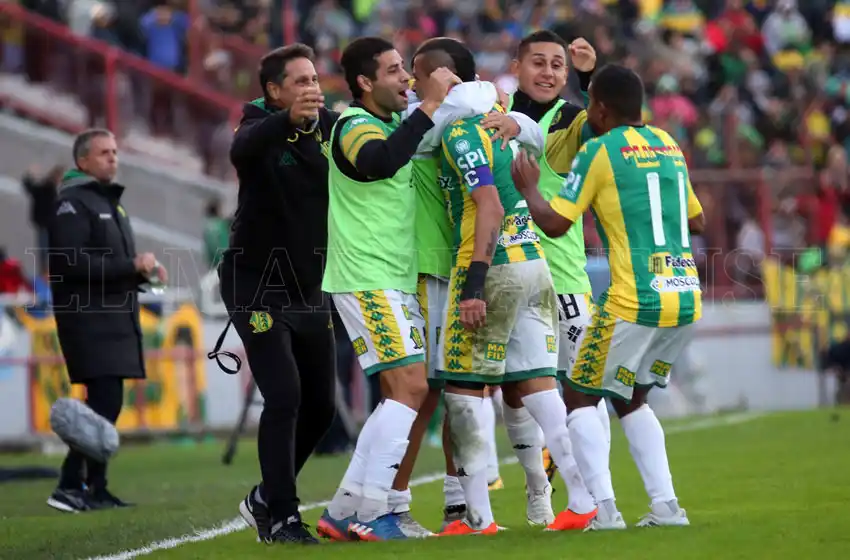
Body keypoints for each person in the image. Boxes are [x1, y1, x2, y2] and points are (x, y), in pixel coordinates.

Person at [511, 64, 705, 530]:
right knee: (631, 398)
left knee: (579, 396)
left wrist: (530, 190)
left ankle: (605, 511)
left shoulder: (598, 151)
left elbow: (555, 222)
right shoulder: (668, 144)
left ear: (599, 109)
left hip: (633, 299)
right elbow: (697, 221)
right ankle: (666, 508)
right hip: (684, 294)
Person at [386, 37, 546, 535]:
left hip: (459, 263)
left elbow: (532, 133)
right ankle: (395, 502)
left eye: (415, 73)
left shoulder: (457, 117)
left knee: (459, 386)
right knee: (425, 391)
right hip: (426, 266)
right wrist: (506, 112)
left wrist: (513, 117)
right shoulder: (422, 120)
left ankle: (457, 504)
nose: (409, 82)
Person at [316, 36, 458, 542]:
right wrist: (431, 106)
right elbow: (378, 161)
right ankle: (374, 512)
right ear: (364, 82)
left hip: (392, 277)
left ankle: (344, 509)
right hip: (366, 276)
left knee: (404, 392)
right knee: (413, 388)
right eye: (395, 70)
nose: (407, 79)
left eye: (406, 69)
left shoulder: (396, 123)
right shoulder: (354, 124)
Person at [434, 80, 587, 538]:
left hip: (490, 266)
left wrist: (473, 284)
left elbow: (490, 206)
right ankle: (583, 501)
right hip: (534, 266)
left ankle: (478, 520)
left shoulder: (462, 132)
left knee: (464, 393)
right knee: (542, 390)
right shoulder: (508, 131)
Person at [216, 44, 338, 545]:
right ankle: (284, 518)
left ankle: (265, 497)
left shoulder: (330, 128)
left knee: (323, 407)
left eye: (315, 79)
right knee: (284, 395)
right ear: (273, 91)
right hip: (256, 284)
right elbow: (242, 150)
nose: (312, 88)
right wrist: (286, 120)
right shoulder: (256, 127)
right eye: (301, 81)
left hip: (308, 285)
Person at [506, 29, 609, 531]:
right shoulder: (494, 114)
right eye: (538, 62)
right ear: (516, 66)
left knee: (583, 389)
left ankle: (597, 497)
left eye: (557, 65)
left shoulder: (570, 118)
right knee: (514, 390)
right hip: (506, 271)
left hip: (564, 276)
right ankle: (537, 487)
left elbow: (604, 127)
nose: (548, 72)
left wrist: (590, 79)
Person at [46, 129, 167, 513]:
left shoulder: (109, 202)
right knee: (104, 402)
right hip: (88, 319)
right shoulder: (72, 203)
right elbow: (72, 263)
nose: (113, 158)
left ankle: (94, 487)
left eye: (115, 151)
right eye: (103, 153)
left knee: (107, 403)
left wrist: (141, 274)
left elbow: (111, 265)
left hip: (113, 317)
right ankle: (70, 484)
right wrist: (130, 266)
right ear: (82, 161)